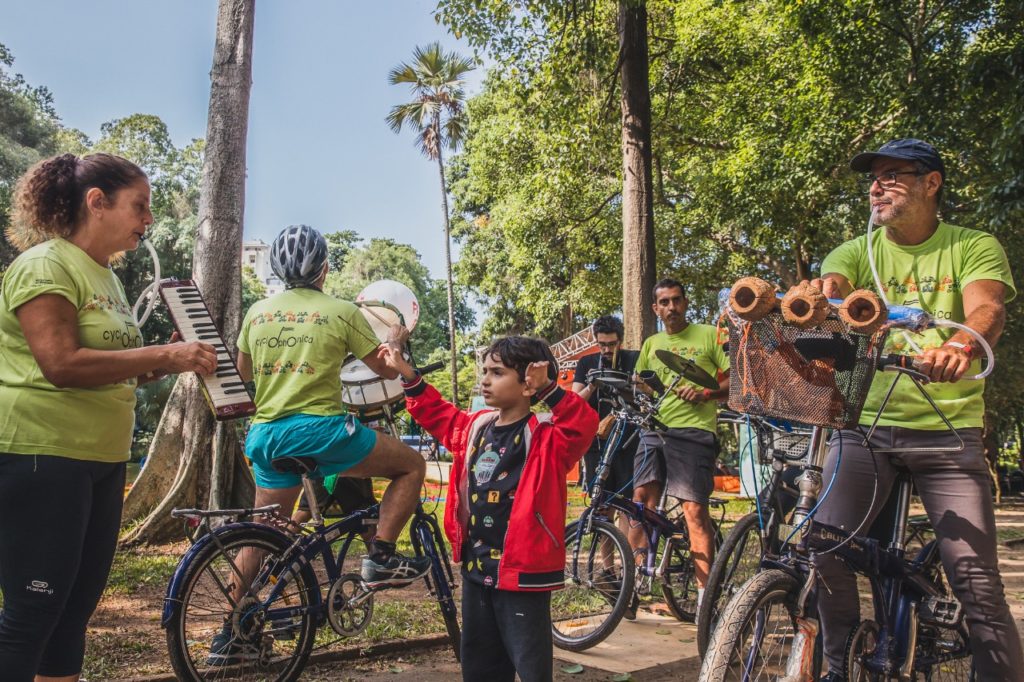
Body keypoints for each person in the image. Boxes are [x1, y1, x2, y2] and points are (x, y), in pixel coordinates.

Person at [810, 138, 1023, 680]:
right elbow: (832, 287)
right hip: (866, 427)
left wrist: (962, 345)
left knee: (976, 583)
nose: (876, 186)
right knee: (825, 548)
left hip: (947, 432)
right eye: (872, 178)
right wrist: (819, 299)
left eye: (892, 175)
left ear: (932, 183)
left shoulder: (972, 245)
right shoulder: (856, 250)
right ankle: (838, 668)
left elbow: (987, 307)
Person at [0, 153, 218, 682]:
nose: (148, 219)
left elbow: (108, 369)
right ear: (97, 202)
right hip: (43, 454)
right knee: (33, 612)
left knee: (72, 614)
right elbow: (61, 364)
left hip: (102, 459)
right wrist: (163, 354)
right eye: (139, 206)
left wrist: (157, 365)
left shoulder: (108, 279)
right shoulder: (46, 265)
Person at [382, 335, 597, 682]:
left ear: (527, 384)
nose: (484, 380)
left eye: (497, 373)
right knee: (480, 663)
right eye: (485, 371)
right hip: (476, 566)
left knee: (530, 665)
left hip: (523, 574)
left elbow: (582, 424)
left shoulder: (546, 436)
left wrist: (549, 389)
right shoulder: (475, 427)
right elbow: (438, 414)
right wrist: (407, 374)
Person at [234, 225, 429, 588]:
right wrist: (395, 339)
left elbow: (242, 372)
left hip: (265, 436)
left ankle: (232, 616)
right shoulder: (342, 311)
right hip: (321, 434)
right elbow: (387, 369)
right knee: (412, 465)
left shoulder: (257, 313)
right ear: (324, 269)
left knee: (261, 535)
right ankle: (381, 557)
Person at [631, 278, 729, 611]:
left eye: (676, 300)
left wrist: (706, 393)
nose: (671, 307)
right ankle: (636, 580)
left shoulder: (709, 335)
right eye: (664, 302)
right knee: (640, 502)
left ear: (685, 303)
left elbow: (735, 381)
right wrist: (641, 390)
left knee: (694, 511)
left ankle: (704, 601)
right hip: (654, 429)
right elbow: (641, 383)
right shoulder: (652, 343)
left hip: (694, 431)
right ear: (655, 308)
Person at [571, 315, 641, 616]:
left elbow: (643, 396)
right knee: (602, 505)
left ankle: (626, 571)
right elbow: (574, 401)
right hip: (596, 444)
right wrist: (592, 383)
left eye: (611, 344)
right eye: (601, 344)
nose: (606, 350)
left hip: (627, 442)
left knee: (625, 506)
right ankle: (608, 571)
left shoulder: (633, 359)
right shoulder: (587, 363)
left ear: (620, 341)